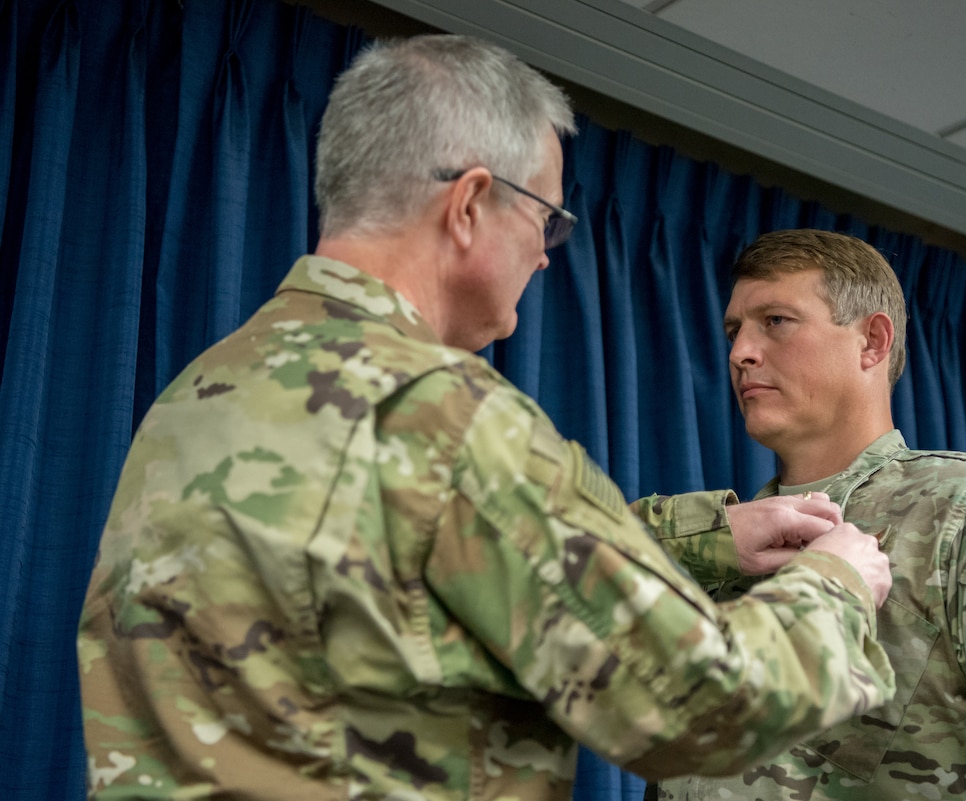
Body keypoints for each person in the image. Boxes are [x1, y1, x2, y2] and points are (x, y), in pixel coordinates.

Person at [76, 38, 896, 801]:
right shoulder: (438, 413)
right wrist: (840, 585)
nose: (545, 255)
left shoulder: (197, 398)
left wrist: (708, 538)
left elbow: (405, 573)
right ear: (470, 203)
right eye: (546, 218)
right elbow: (699, 704)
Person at [655, 229, 966, 800]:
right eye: (734, 330)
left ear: (872, 342)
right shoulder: (717, 551)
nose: (740, 352)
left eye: (775, 321)